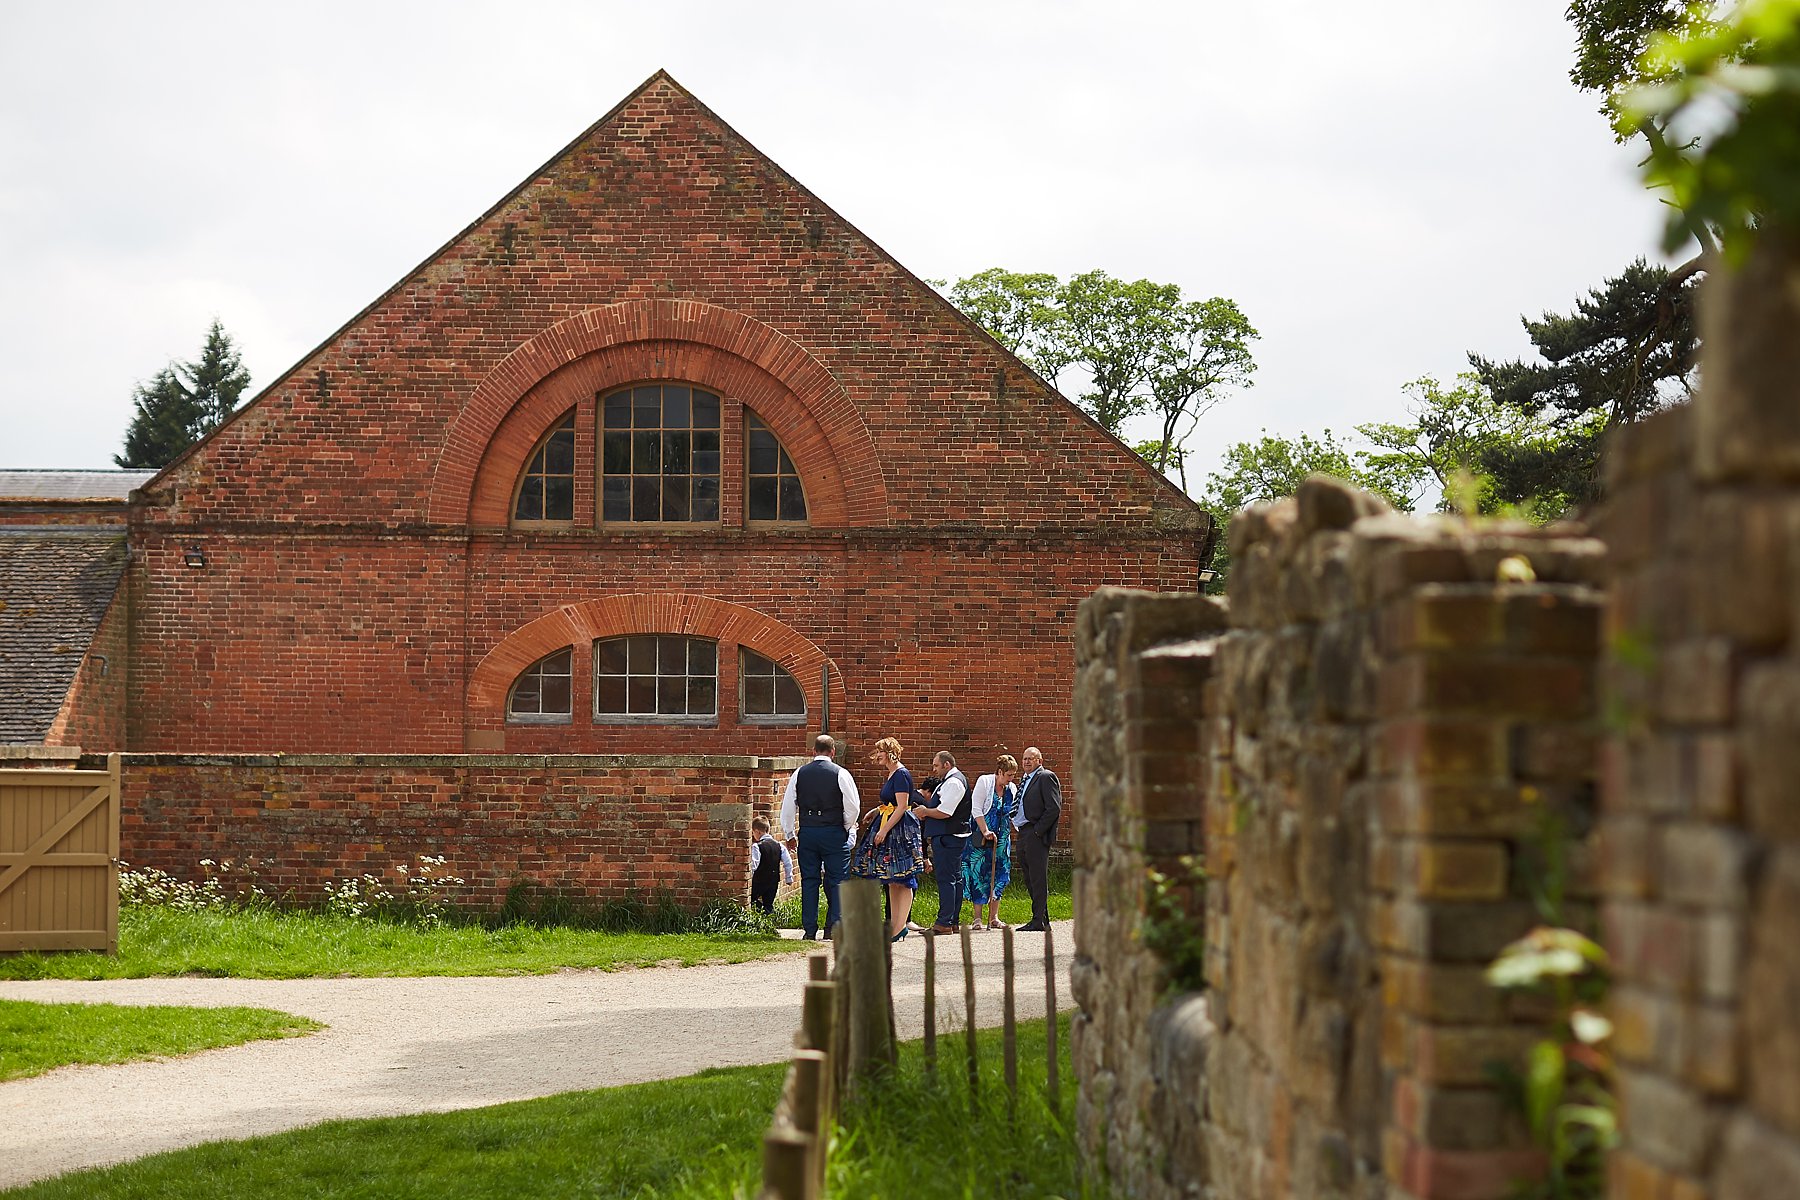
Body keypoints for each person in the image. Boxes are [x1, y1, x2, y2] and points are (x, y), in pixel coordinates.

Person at [779, 733, 861, 940]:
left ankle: (809, 929)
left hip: (808, 830)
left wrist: (789, 833)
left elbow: (788, 807)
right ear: (833, 752)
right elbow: (853, 807)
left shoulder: (799, 773)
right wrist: (846, 826)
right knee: (838, 880)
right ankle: (834, 927)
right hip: (833, 830)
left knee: (809, 880)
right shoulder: (841, 773)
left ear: (813, 751)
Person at [855, 736, 925, 942]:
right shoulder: (892, 773)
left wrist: (884, 830)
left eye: (880, 751)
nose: (877, 755)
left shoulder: (901, 774)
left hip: (900, 831)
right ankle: (895, 926)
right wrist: (876, 811)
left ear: (890, 753)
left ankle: (900, 926)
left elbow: (902, 806)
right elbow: (892, 803)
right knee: (893, 880)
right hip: (891, 824)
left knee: (904, 878)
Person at [913, 750, 970, 934]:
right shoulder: (950, 781)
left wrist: (925, 811)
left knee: (947, 879)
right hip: (951, 836)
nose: (934, 769)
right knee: (955, 878)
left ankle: (944, 922)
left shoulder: (954, 782)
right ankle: (952, 920)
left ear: (947, 764)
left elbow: (945, 812)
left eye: (936, 765)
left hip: (948, 836)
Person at [961, 753, 1019, 930]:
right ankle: (977, 918)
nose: (1011, 778)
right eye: (1008, 775)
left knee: (1000, 873)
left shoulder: (1011, 788)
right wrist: (985, 830)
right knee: (979, 873)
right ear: (1000, 772)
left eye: (1013, 775)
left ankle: (994, 917)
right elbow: (976, 808)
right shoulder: (985, 782)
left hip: (1001, 839)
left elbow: (1013, 813)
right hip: (982, 836)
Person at [1013, 745, 1062, 932]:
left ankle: (1038, 920)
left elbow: (1053, 807)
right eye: (1024, 758)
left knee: (1037, 878)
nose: (1026, 762)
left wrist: (1038, 831)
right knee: (1029, 877)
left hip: (1035, 833)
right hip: (1023, 832)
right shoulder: (1025, 779)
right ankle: (1041, 919)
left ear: (1039, 761)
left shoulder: (1045, 777)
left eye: (1030, 758)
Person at [748, 815, 794, 915]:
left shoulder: (757, 846)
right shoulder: (779, 845)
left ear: (757, 832)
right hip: (773, 880)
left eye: (753, 832)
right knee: (768, 904)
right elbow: (788, 862)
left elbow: (754, 864)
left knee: (752, 900)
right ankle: (769, 916)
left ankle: (761, 916)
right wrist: (789, 878)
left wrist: (749, 877)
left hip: (759, 880)